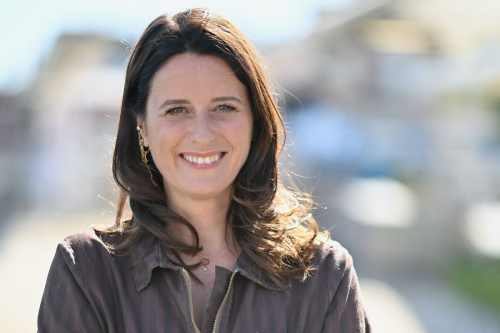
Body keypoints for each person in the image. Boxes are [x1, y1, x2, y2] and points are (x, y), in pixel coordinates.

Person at [38, 8, 372, 333]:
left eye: (224, 107)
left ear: (254, 121)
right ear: (142, 127)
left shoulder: (324, 277)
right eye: (177, 110)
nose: (202, 134)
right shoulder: (85, 271)